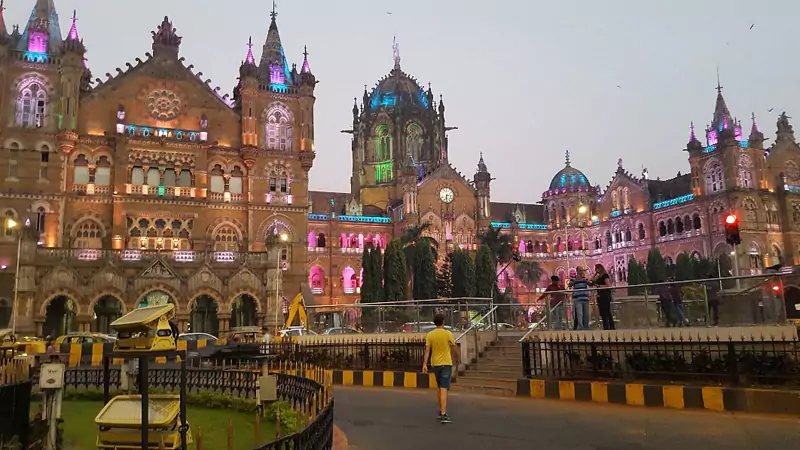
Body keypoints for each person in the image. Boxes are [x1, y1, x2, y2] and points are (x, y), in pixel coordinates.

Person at [422, 314, 459, 424]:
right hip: (446, 364)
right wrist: (457, 358)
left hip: (435, 364)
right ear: (443, 322)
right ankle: (443, 414)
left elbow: (427, 350)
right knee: (444, 388)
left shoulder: (430, 335)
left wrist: (424, 364)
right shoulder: (448, 334)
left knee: (439, 388)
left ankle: (441, 410)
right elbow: (453, 347)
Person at [591, 264, 615, 330]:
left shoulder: (605, 275)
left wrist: (600, 286)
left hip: (605, 295)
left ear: (600, 268)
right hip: (600, 296)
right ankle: (606, 326)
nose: (595, 270)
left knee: (607, 311)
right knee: (602, 312)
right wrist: (595, 274)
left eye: (596, 269)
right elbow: (591, 280)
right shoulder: (598, 276)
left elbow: (608, 285)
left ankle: (611, 326)